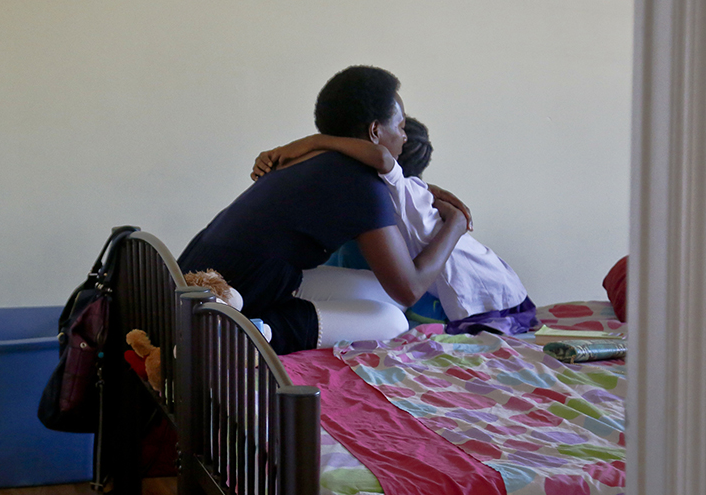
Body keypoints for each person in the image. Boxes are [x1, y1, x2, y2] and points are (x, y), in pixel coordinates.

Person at [178, 66, 469, 354]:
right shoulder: (361, 184)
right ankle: (257, 333)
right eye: (401, 126)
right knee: (393, 320)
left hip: (197, 275)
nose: (404, 137)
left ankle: (268, 321)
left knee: (383, 294)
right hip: (226, 296)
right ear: (375, 131)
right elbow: (410, 287)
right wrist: (454, 224)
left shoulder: (308, 157)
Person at [251, 116, 537, 335]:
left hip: (485, 305)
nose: (400, 133)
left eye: (401, 128)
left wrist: (314, 141)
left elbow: (383, 161)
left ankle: (267, 327)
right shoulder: (391, 193)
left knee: (392, 317)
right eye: (397, 126)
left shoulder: (397, 192)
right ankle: (265, 325)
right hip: (490, 290)